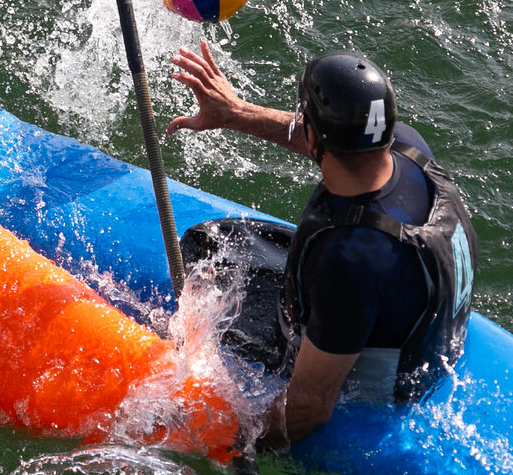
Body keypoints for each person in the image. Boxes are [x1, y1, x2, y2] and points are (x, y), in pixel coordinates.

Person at [168, 41, 477, 452]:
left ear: (316, 134)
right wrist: (235, 113)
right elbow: (331, 140)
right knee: (218, 242)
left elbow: (310, 409)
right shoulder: (405, 143)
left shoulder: (350, 260)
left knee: (191, 290)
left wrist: (226, 442)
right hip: (411, 321)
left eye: (304, 121)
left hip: (373, 385)